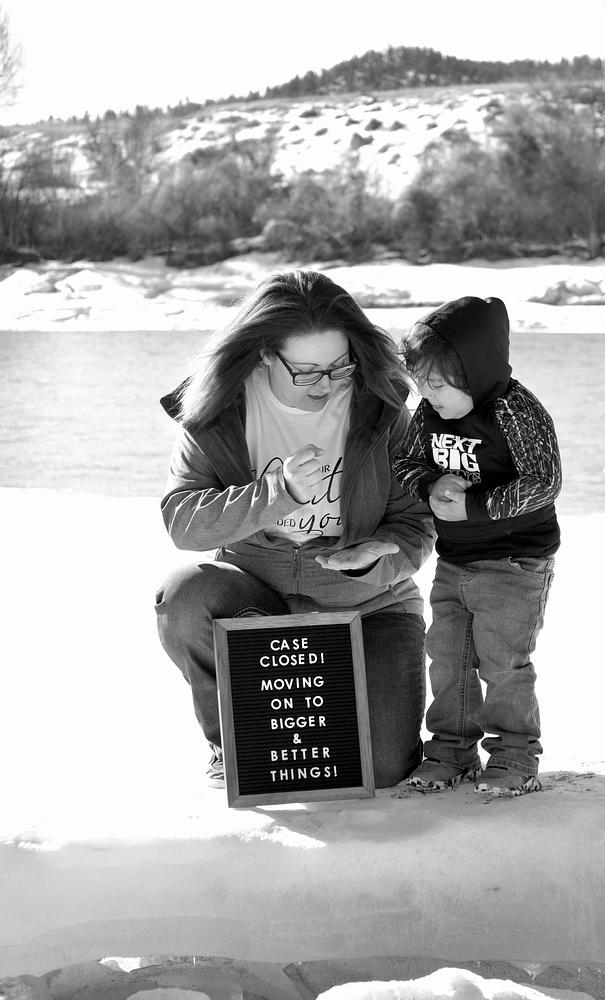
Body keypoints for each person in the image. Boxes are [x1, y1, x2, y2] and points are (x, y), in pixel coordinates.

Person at [155, 270, 434, 789]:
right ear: (265, 353)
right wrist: (276, 493)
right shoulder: (216, 409)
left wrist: (379, 556)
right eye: (306, 372)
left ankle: (336, 699)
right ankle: (231, 741)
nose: (326, 385)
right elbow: (183, 520)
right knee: (185, 595)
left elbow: (416, 523)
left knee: (381, 768)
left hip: (370, 605)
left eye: (339, 366)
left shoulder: (385, 406)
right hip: (258, 599)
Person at [392, 295, 561, 797]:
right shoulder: (429, 412)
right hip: (455, 560)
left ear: (475, 371)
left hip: (515, 560)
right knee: (447, 656)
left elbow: (544, 481)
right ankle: (451, 750)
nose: (427, 395)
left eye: (438, 384)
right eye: (420, 383)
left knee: (502, 661)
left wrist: (475, 506)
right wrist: (430, 486)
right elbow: (406, 462)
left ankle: (514, 756)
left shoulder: (516, 412)